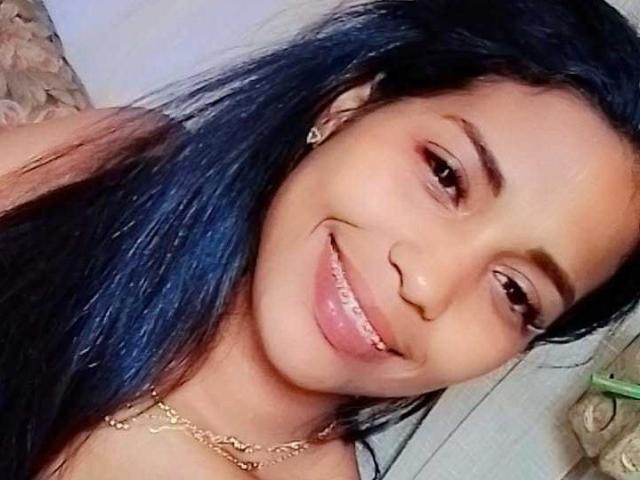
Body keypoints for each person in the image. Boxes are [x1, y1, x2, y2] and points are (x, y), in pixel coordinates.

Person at [1, 0, 640, 478]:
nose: (426, 283)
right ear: (349, 107)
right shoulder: (116, 163)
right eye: (446, 175)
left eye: (515, 292)